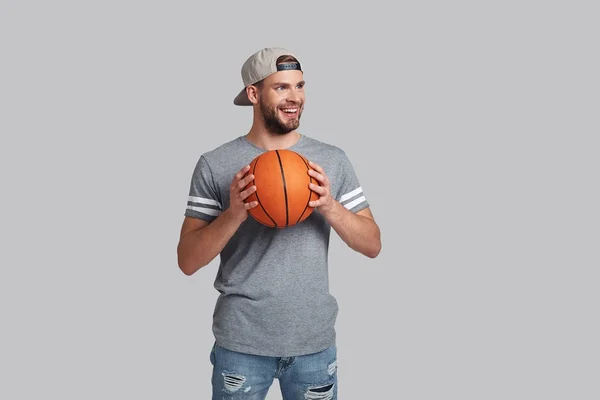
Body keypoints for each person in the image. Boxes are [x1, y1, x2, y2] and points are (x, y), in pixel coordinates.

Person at [177, 47, 381, 399]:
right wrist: (236, 212)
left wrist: (329, 206)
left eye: (300, 86)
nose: (295, 98)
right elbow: (187, 261)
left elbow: (372, 244)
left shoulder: (332, 160)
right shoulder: (215, 164)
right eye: (282, 88)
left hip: (313, 343)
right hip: (241, 343)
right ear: (254, 94)